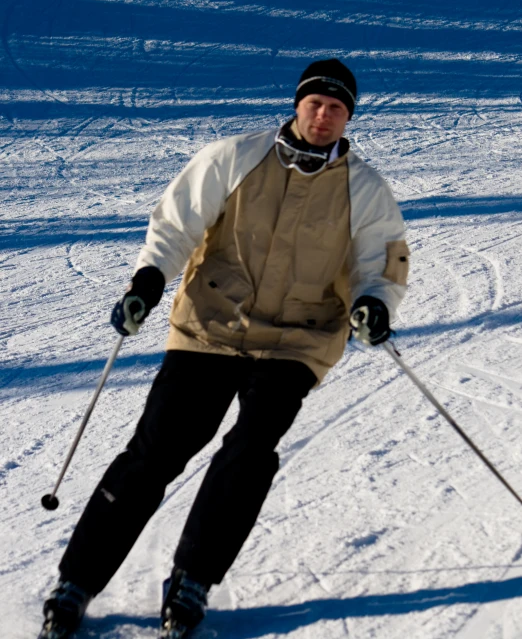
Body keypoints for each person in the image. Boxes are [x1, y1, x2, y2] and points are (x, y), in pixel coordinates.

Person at [39, 59, 410, 639]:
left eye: (336, 108)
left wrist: (375, 303)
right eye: (315, 103)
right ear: (297, 104)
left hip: (299, 337)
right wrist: (147, 281)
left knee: (251, 448)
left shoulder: (364, 187)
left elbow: (380, 262)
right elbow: (175, 225)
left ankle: (192, 580)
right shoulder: (235, 156)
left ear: (348, 118)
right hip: (211, 324)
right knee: (158, 450)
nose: (323, 115)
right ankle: (76, 582)